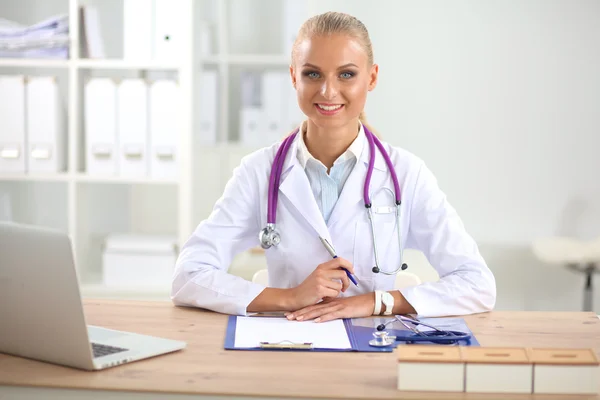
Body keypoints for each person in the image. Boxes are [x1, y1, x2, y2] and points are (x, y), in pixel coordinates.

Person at [171, 11, 496, 322]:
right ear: (293, 76)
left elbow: (477, 284)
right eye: (313, 73)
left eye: (346, 74)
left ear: (371, 77)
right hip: (284, 345)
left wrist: (374, 302)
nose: (328, 91)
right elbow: (188, 274)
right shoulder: (259, 172)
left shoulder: (407, 175)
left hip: (371, 349)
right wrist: (289, 297)